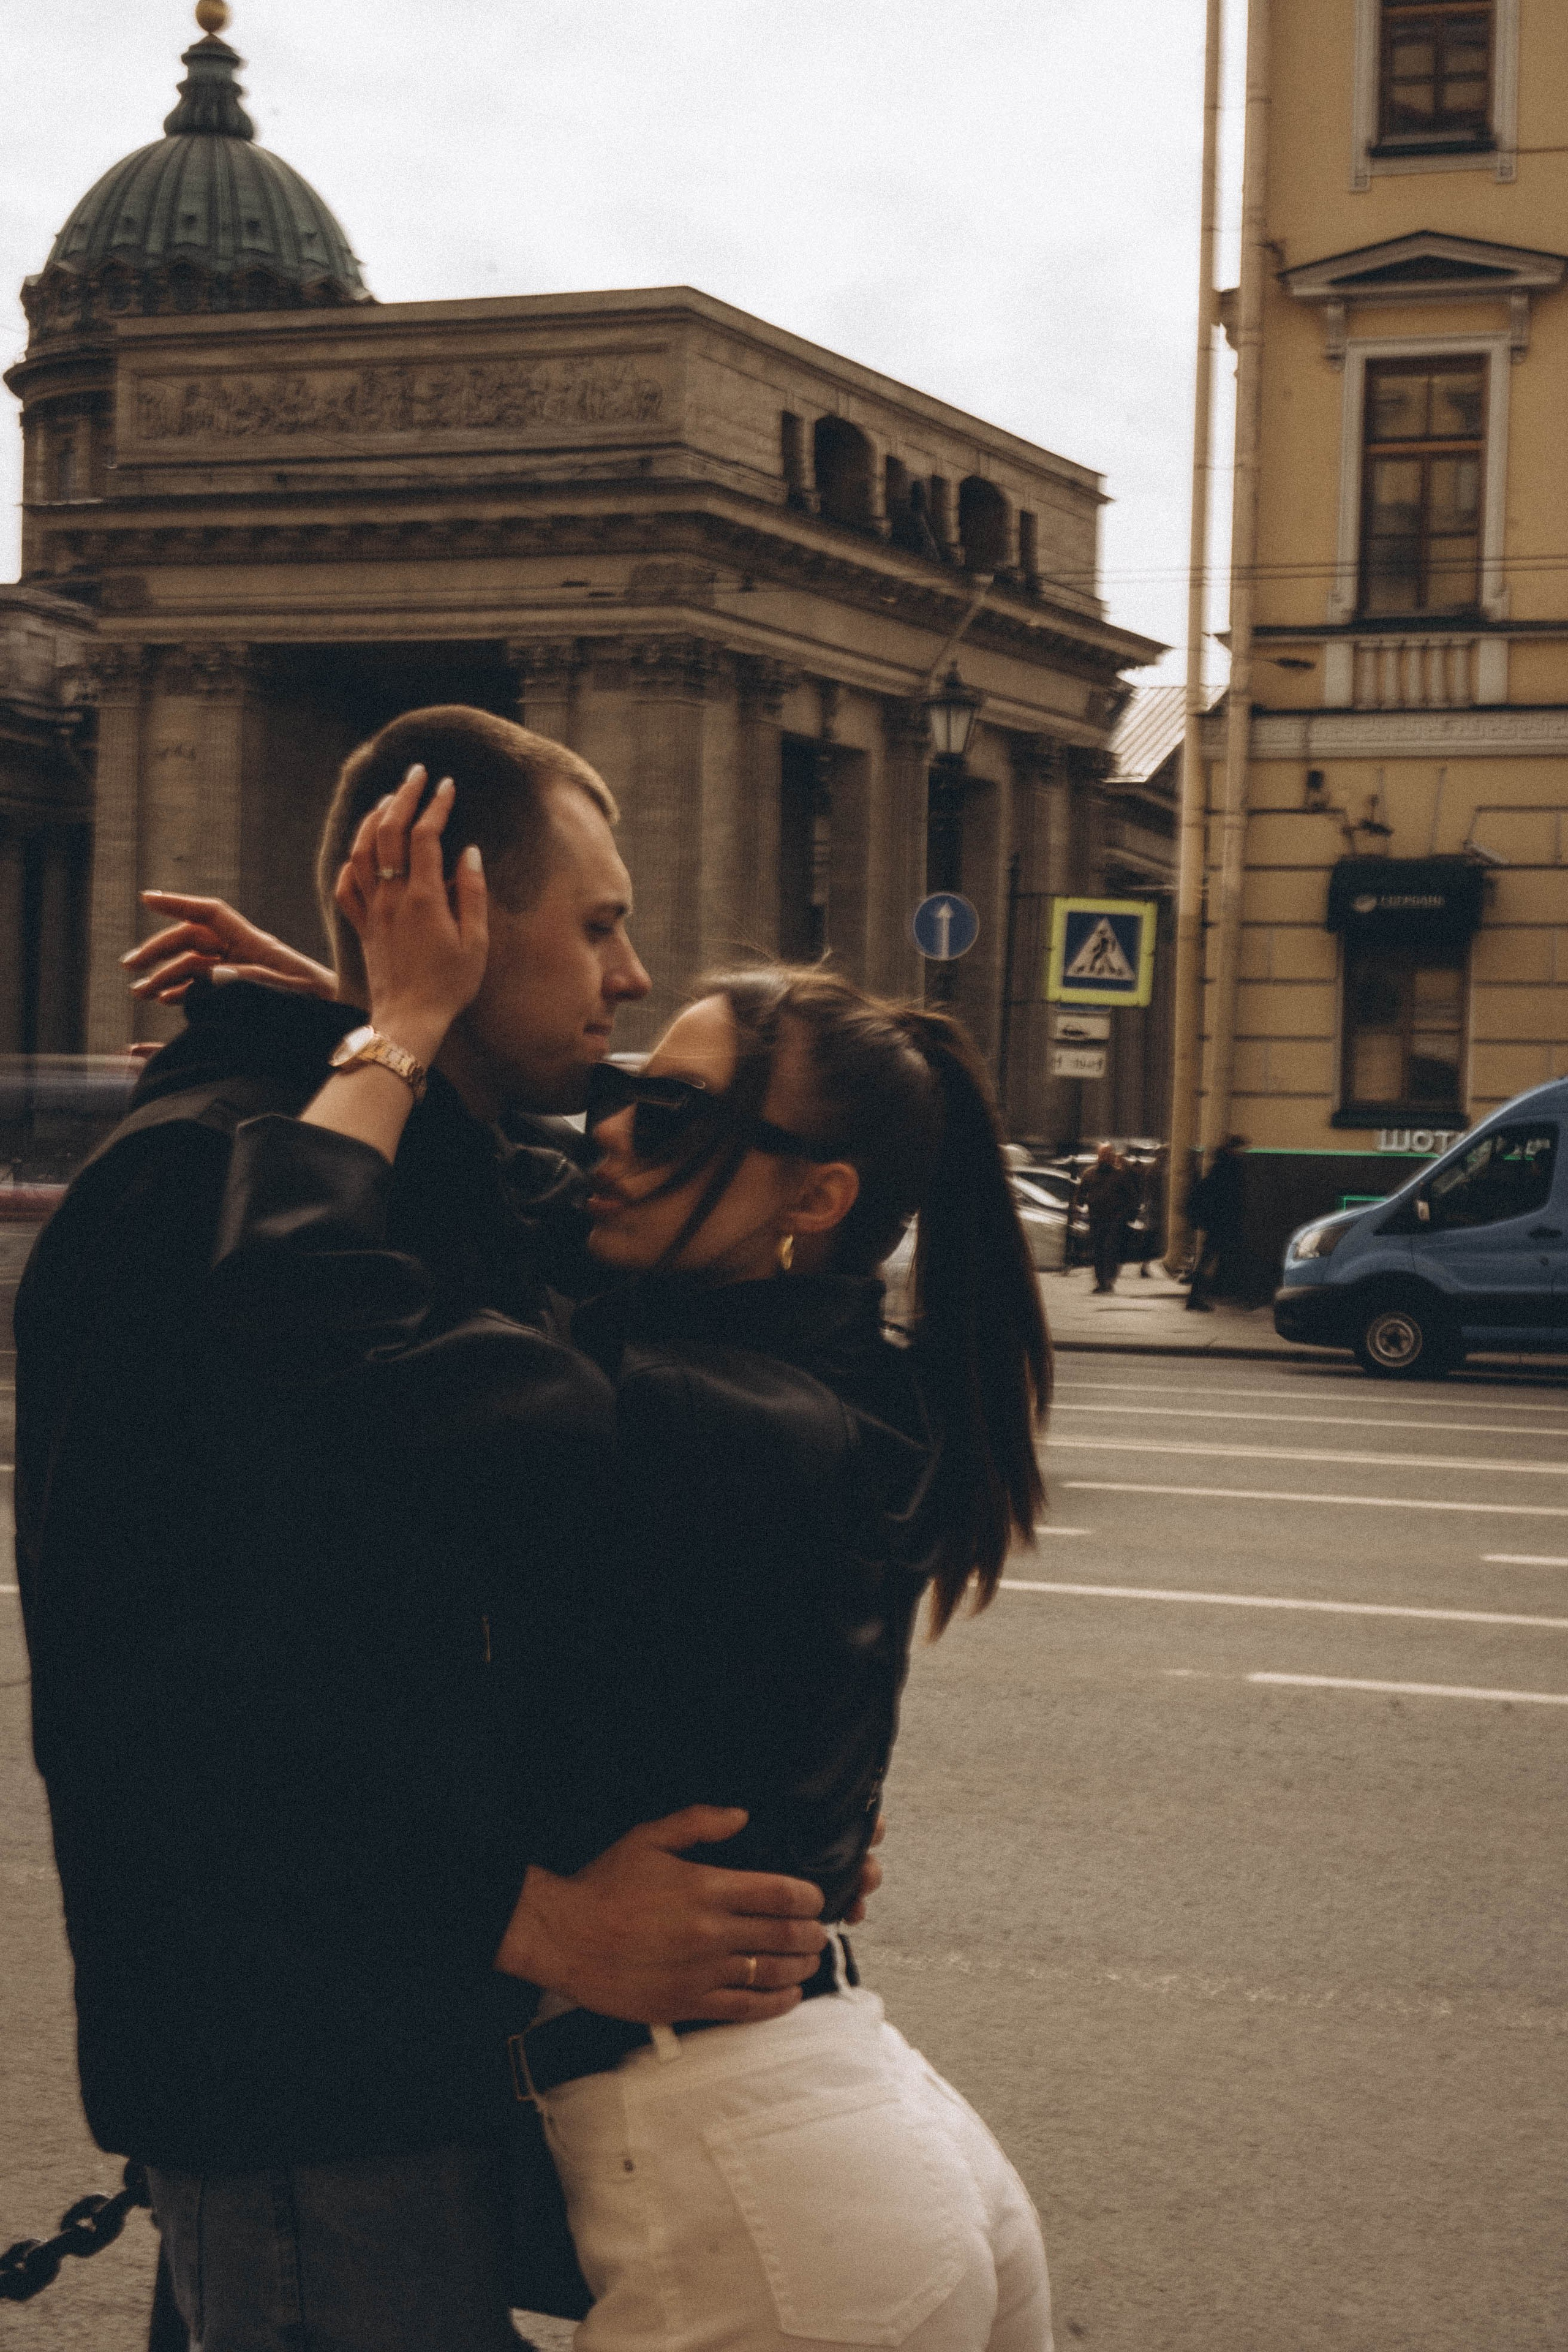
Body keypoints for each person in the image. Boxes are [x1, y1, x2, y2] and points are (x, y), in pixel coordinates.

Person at [14, 710, 847, 2352]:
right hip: (306, 2063)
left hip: (399, 2036)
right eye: (600, 925)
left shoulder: (375, 1174)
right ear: (459, 910)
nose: (627, 975)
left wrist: (362, 1025)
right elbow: (165, 1699)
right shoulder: (190, 1193)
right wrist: (530, 1921)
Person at [192, 774, 1056, 2351]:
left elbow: (302, 1292)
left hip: (760, 2194)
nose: (608, 1127)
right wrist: (363, 1008)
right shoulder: (809, 1370)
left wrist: (388, 1035)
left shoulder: (706, 1417)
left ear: (817, 1197)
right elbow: (517, 1211)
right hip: (843, 2129)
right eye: (628, 1087)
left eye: (670, 1112)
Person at [1184, 1134, 1249, 1311]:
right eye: (1240, 1149)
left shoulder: (1220, 1166)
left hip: (1217, 1223)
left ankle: (1198, 1296)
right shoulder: (1229, 1168)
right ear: (1233, 1149)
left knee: (1211, 1259)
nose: (1243, 1153)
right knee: (1212, 1260)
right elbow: (1229, 1199)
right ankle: (1198, 1297)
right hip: (1223, 1223)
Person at [1077, 1140, 1139, 1294]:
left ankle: (1109, 1281)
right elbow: (1080, 1194)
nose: (1106, 1158)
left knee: (1110, 1250)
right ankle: (1101, 1282)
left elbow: (1132, 1198)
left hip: (1115, 1221)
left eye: (1109, 1155)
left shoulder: (1120, 1176)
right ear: (1098, 1156)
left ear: (1113, 1157)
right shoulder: (1089, 1174)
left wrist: (1125, 1216)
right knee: (1098, 1251)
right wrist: (1084, 1201)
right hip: (1096, 1219)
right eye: (1103, 1155)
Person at [1134, 1145, 1167, 1278]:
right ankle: (1147, 1265)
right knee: (1153, 1237)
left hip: (1153, 1207)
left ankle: (1146, 1265)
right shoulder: (1159, 1169)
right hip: (1157, 1208)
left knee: (1151, 1237)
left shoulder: (1153, 1168)